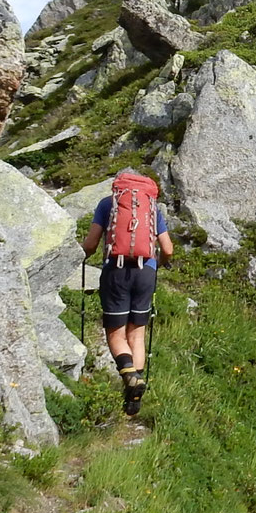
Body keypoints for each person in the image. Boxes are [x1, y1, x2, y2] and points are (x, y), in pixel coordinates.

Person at [81, 169, 173, 416]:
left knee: (116, 334)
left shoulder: (107, 203)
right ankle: (133, 398)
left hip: (116, 271)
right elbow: (168, 248)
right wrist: (159, 264)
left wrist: (81, 255)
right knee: (138, 335)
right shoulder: (152, 207)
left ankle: (130, 377)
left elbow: (90, 244)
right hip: (146, 273)